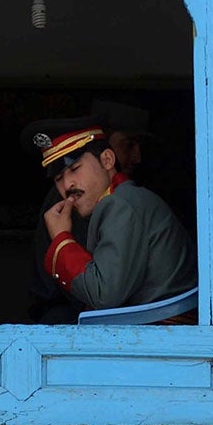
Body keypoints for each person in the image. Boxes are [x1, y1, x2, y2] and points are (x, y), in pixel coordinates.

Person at [27, 120, 193, 320]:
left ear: (107, 160)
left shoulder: (119, 203)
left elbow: (104, 295)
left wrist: (62, 240)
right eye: (58, 179)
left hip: (164, 337)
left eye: (75, 168)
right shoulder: (125, 198)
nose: (67, 185)